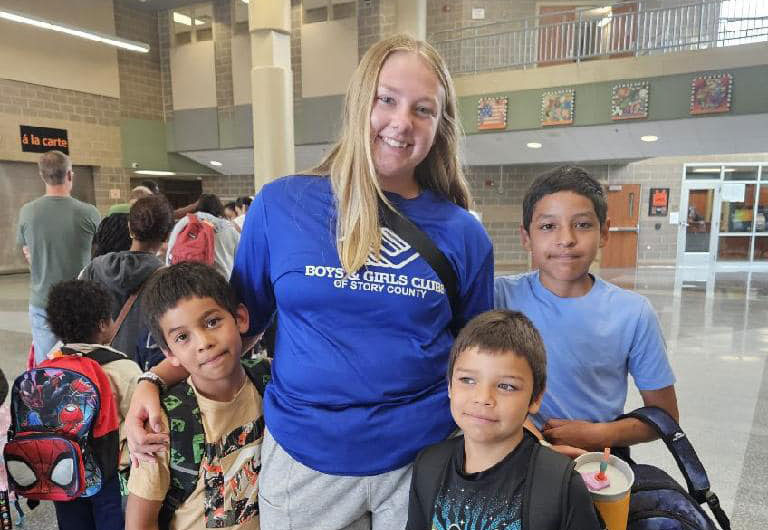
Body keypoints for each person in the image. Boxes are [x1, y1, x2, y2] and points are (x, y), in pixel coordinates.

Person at [127, 34, 493, 530]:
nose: (401, 122)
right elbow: (236, 329)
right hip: (305, 460)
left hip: (421, 458)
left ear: (439, 125)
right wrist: (153, 380)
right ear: (360, 101)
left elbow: (481, 357)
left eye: (423, 109)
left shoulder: (463, 233)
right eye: (387, 99)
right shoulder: (282, 205)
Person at [494, 166, 678, 457]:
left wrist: (597, 434)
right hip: (515, 452)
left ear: (604, 232)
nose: (566, 239)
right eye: (547, 226)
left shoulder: (633, 313)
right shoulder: (499, 297)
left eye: (582, 225)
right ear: (526, 237)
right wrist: (535, 440)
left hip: (596, 459)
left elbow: (664, 416)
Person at [406, 310, 601, 530]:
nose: (483, 398)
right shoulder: (428, 466)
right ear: (450, 385)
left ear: (535, 398)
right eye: (468, 380)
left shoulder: (561, 485)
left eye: (506, 386)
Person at [125, 262, 265, 530]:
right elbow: (139, 524)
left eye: (212, 322)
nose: (203, 343)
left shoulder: (268, 382)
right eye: (182, 338)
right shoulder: (161, 424)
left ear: (241, 318)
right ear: (169, 354)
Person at [45, 279, 141, 530]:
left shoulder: (49, 367)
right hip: (111, 476)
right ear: (102, 325)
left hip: (63, 474)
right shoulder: (123, 369)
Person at [16, 150, 101, 363]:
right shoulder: (89, 213)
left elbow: (26, 251)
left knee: (48, 365)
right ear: (70, 175)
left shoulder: (28, 212)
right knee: (85, 363)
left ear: (42, 176)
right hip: (81, 301)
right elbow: (101, 253)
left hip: (43, 301)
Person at [80, 195, 175, 367]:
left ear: (130, 228)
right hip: (143, 372)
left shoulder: (95, 267)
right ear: (167, 236)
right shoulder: (169, 280)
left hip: (99, 368)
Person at [166, 193, 240, 279]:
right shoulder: (227, 227)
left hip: (184, 280)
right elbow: (239, 259)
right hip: (219, 281)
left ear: (197, 206)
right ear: (219, 208)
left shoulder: (183, 223)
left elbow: (170, 252)